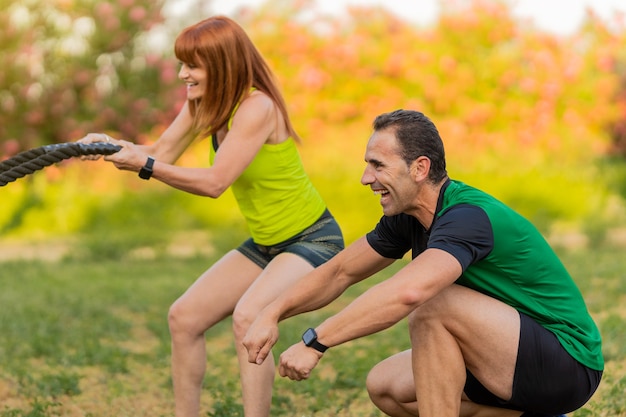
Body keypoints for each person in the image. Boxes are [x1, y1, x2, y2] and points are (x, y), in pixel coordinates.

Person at [242, 109, 603, 417]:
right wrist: (272, 312)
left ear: (419, 168)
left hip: (566, 364)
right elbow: (341, 271)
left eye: (377, 165)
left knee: (433, 302)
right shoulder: (409, 216)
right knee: (385, 387)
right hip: (500, 356)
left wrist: (316, 341)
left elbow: (410, 292)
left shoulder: (467, 217)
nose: (366, 178)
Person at [78, 16, 344, 417]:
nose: (183, 74)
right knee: (183, 317)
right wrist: (111, 145)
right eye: (183, 64)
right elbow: (162, 152)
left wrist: (143, 165)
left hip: (313, 239)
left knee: (249, 317)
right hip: (267, 243)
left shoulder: (257, 107)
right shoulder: (203, 102)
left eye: (192, 65)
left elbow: (215, 182)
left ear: (223, 64)